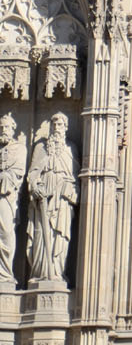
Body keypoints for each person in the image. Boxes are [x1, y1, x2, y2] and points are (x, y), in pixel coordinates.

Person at [26, 113, 77, 284]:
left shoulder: (71, 149)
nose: (57, 127)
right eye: (54, 124)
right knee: (41, 234)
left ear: (66, 127)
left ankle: (56, 270)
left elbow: (76, 178)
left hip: (61, 201)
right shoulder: (41, 148)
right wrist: (35, 187)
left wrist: (68, 190)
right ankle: (40, 272)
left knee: (60, 236)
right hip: (43, 200)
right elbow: (32, 173)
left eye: (60, 124)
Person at [0, 116, 25, 288]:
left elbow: (18, 173)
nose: (3, 131)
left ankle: (5, 273)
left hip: (7, 197)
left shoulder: (19, 149)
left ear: (13, 129)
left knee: (6, 232)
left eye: (6, 127)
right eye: (1, 127)